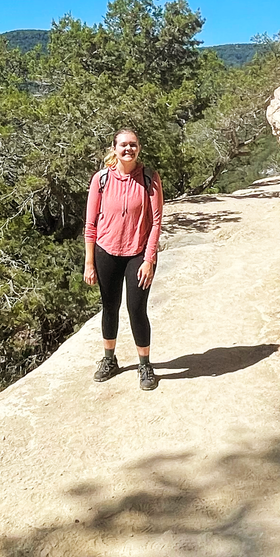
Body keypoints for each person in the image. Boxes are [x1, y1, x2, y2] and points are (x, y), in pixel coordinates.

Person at [84, 128, 164, 390]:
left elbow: (156, 222)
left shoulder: (150, 179)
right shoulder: (102, 179)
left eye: (133, 145)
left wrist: (149, 259)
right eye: (123, 145)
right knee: (109, 306)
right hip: (106, 251)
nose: (128, 149)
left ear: (139, 148)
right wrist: (89, 262)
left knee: (136, 309)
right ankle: (109, 360)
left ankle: (145, 365)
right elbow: (90, 223)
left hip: (138, 254)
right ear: (114, 148)